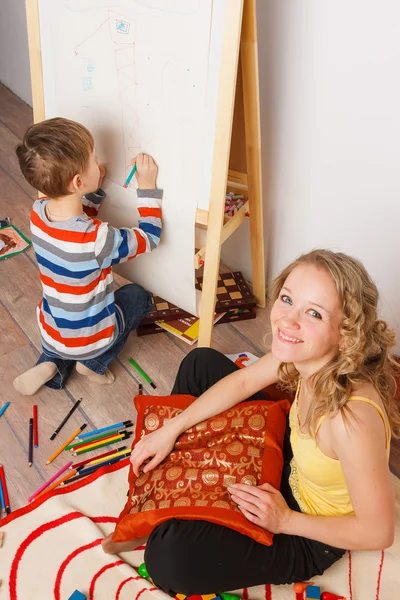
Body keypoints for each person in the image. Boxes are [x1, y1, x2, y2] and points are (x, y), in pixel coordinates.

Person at [103, 249, 399, 595]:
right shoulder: (303, 354)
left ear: (345, 336)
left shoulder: (351, 419)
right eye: (287, 299)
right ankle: (169, 496)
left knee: (167, 559)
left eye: (314, 313)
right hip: (289, 463)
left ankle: (176, 511)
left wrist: (285, 520)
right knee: (200, 365)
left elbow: (378, 532)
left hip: (307, 530)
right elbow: (244, 382)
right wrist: (172, 430)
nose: (288, 321)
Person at [13, 117, 162, 395]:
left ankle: (50, 365)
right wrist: (148, 187)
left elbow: (78, 221)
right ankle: (93, 364)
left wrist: (95, 191)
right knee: (138, 297)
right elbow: (150, 236)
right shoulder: (98, 239)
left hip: (53, 329)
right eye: (94, 159)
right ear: (79, 181)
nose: (99, 163)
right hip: (92, 338)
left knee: (68, 332)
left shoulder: (38, 212)